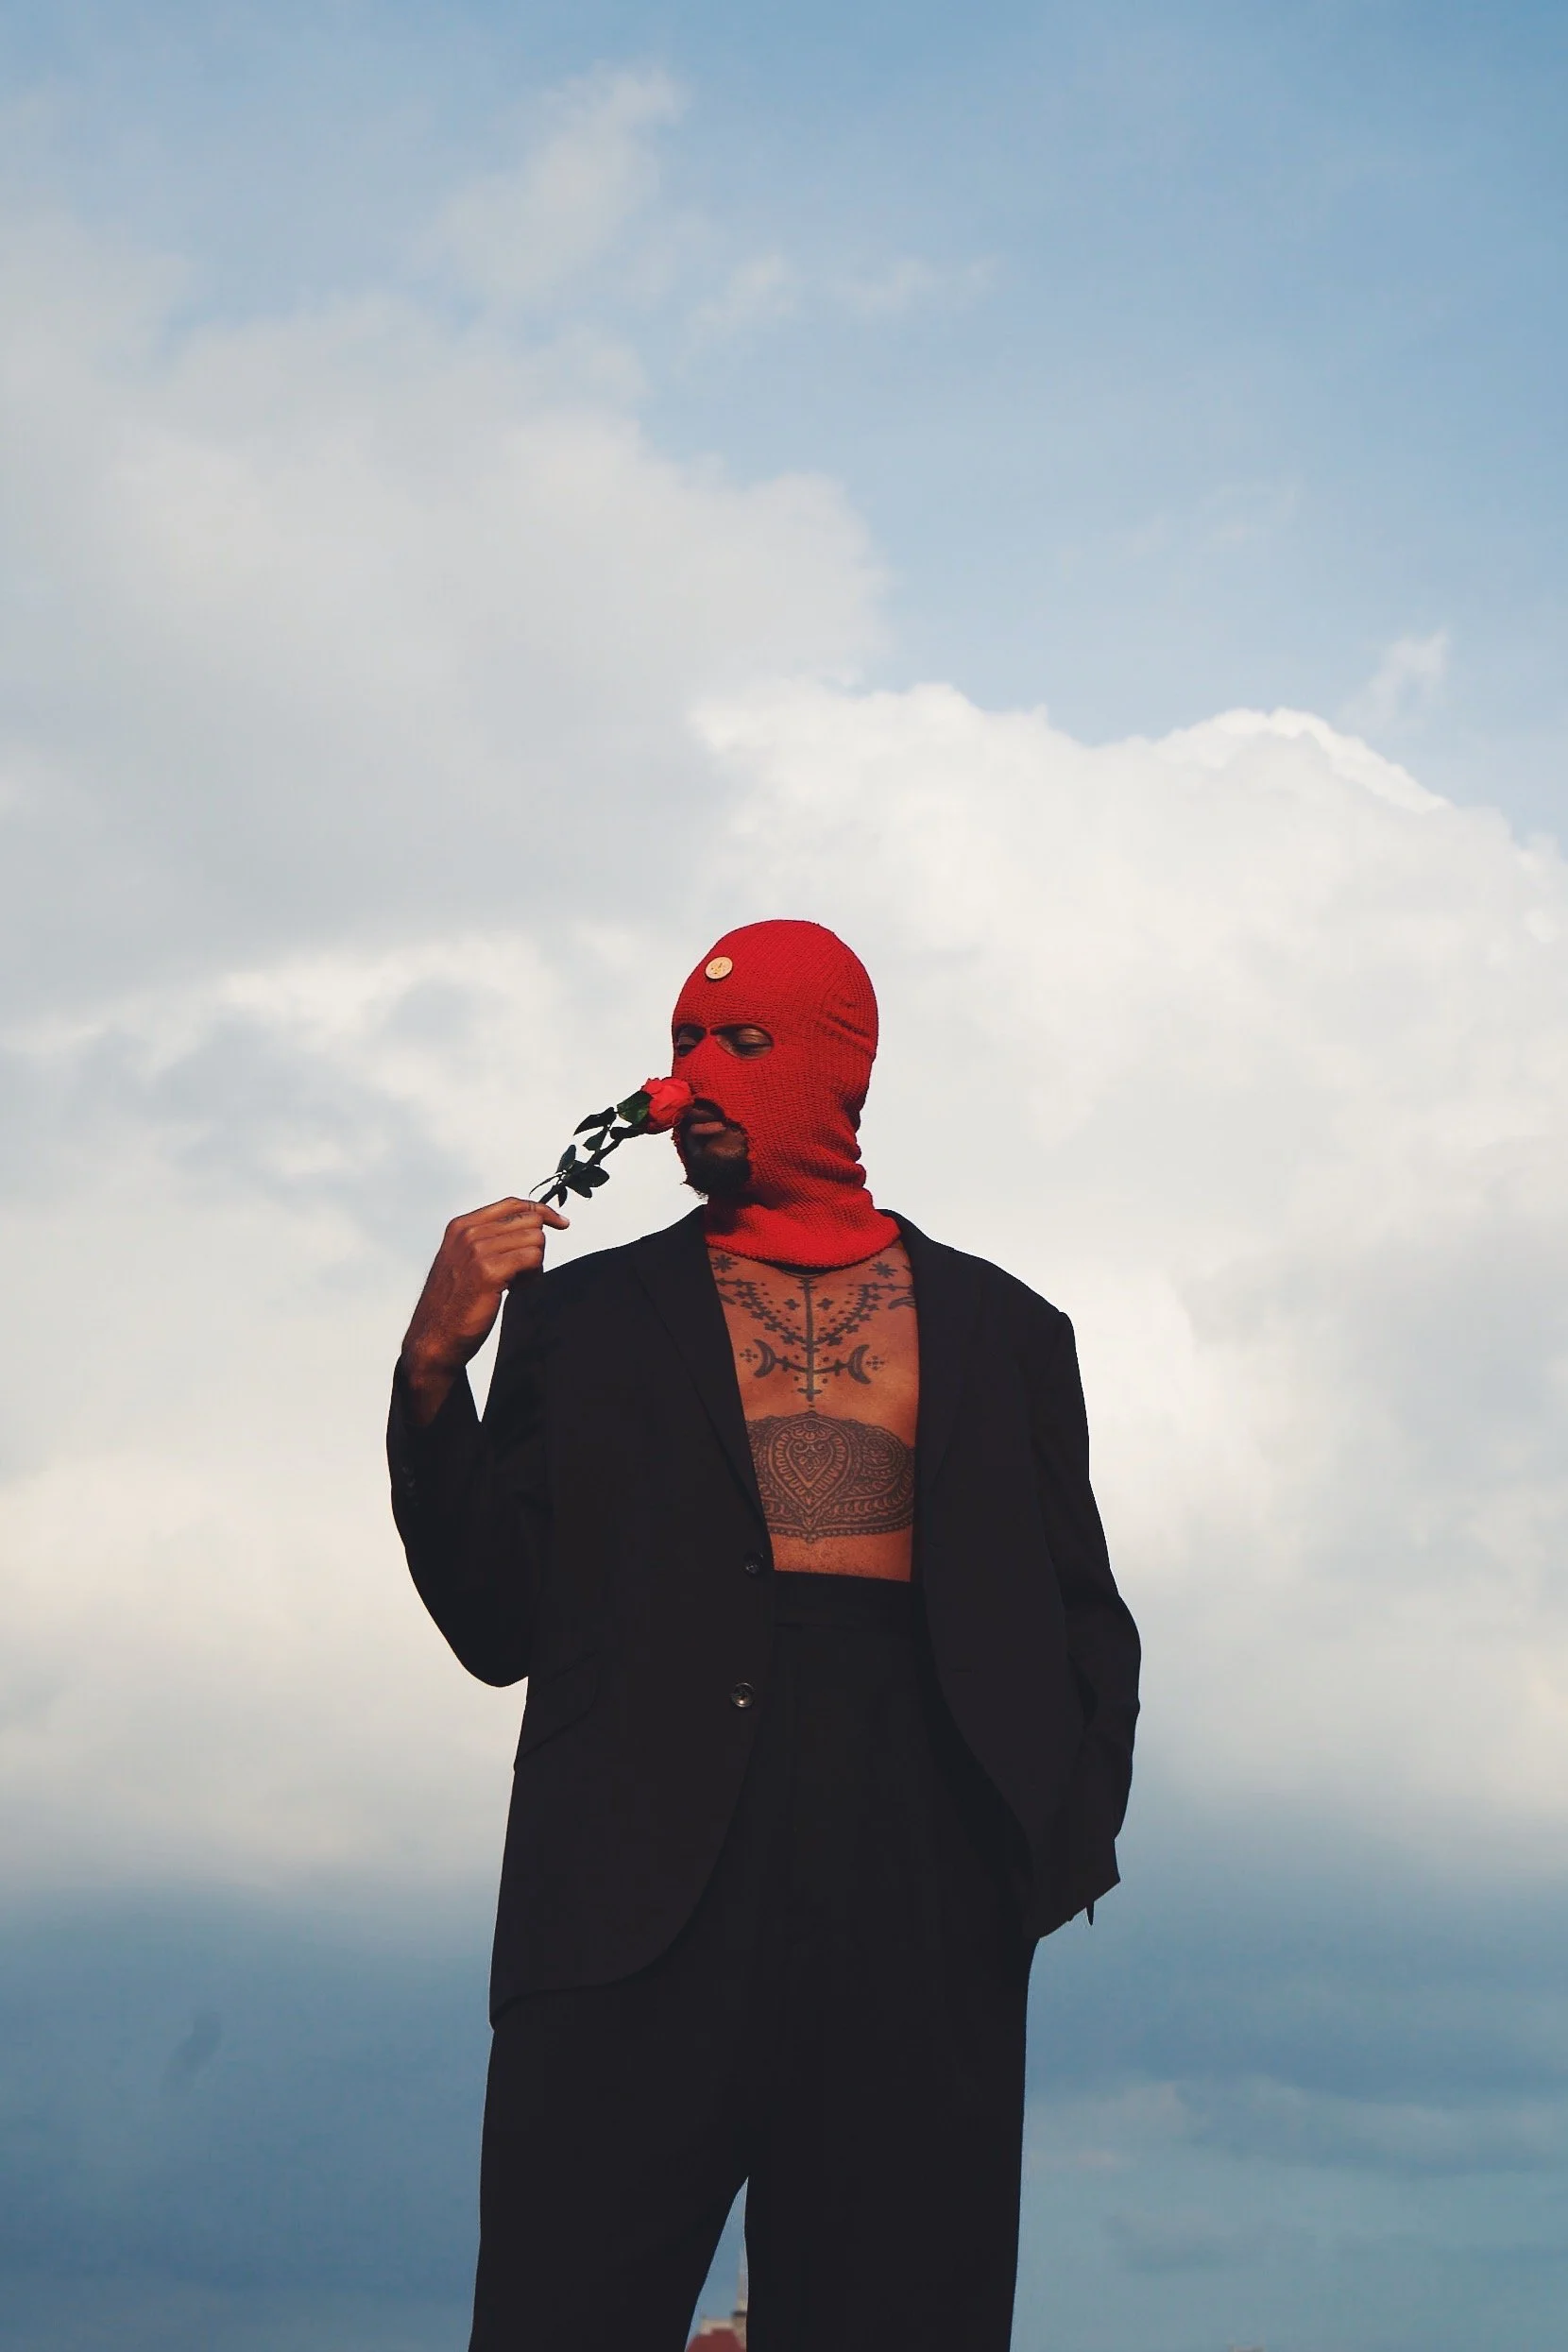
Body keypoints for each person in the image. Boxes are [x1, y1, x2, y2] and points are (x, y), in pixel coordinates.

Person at [387, 919, 1140, 2352]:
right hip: (629, 1899)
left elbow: (1084, 1616)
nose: (696, 1074)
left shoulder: (1004, 1329)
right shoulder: (584, 1319)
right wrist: (436, 1372)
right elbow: (497, 1622)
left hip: (918, 1891)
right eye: (680, 1041)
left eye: (741, 1040)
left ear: (838, 1063)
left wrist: (1027, 1861)